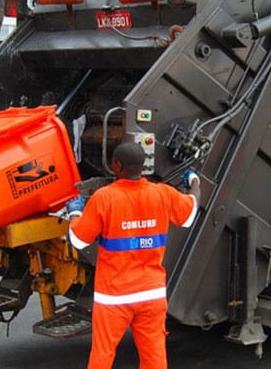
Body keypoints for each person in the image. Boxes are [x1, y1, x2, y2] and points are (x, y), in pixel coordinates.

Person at [67, 142, 201, 369]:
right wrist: (194, 181)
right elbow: (191, 209)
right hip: (151, 294)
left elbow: (79, 240)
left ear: (116, 166)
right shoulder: (162, 194)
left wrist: (75, 212)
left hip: (113, 297)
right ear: (143, 166)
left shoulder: (104, 198)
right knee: (154, 359)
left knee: (102, 356)